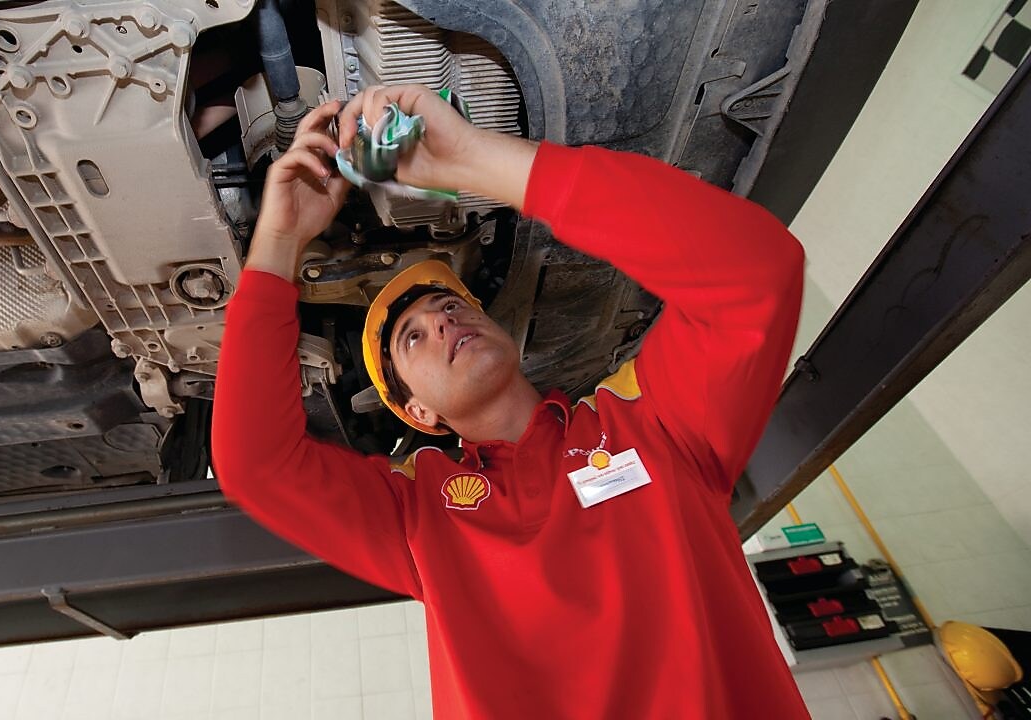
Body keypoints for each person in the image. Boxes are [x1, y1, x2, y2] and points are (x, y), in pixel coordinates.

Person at [212, 84, 809, 719]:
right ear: (418, 414)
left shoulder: (657, 429)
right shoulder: (417, 520)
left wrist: (474, 160)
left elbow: (757, 275)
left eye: (451, 305)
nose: (443, 320)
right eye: (414, 337)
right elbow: (257, 465)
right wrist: (278, 240)